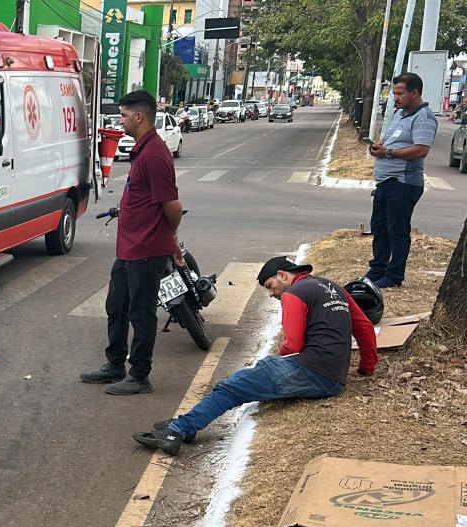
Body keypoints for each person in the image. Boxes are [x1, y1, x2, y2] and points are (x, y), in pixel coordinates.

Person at [134, 257, 379, 456]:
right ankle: (186, 423)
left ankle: (177, 431)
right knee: (250, 377)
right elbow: (365, 327)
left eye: (270, 286)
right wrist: (367, 368)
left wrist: (277, 364)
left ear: (282, 275)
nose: (271, 294)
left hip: (313, 371)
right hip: (334, 377)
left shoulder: (295, 294)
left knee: (232, 388)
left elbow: (292, 345)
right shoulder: (334, 288)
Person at [80, 89, 184, 395]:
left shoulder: (154, 155)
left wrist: (170, 239)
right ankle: (115, 364)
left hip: (146, 249)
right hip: (129, 248)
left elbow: (172, 206)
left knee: (141, 313)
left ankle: (140, 375)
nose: (120, 121)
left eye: (123, 115)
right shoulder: (143, 150)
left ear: (139, 117)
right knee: (116, 305)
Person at [366, 72, 437, 288]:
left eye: (400, 94)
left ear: (414, 93)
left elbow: (421, 150)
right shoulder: (400, 114)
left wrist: (388, 153)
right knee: (379, 228)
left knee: (396, 231)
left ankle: (394, 276)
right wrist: (379, 145)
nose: (396, 98)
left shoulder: (424, 118)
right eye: (394, 94)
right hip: (385, 182)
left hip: (403, 183)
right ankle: (377, 270)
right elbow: (390, 139)